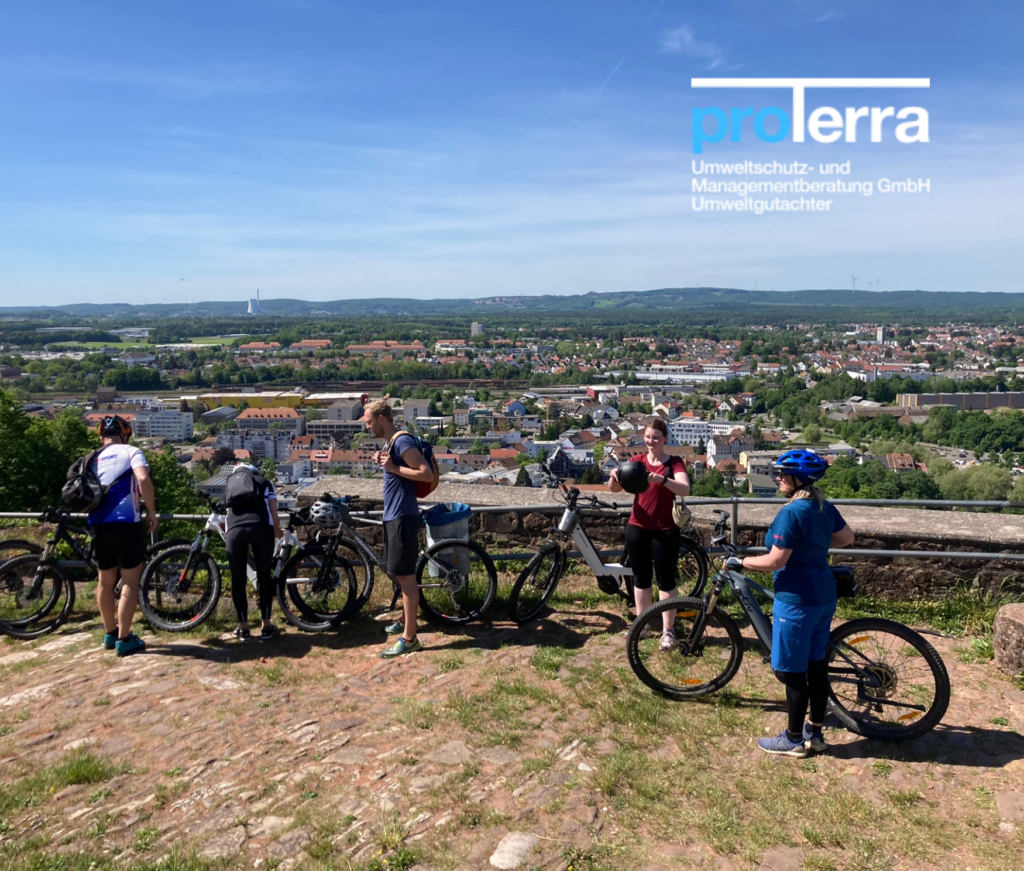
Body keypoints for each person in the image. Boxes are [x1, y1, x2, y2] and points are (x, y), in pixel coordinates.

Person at [726, 449, 855, 757]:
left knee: (794, 672)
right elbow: (847, 538)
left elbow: (775, 560)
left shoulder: (792, 512)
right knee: (816, 666)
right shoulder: (823, 506)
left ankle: (793, 739)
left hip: (796, 599)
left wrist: (740, 561)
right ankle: (815, 732)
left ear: (799, 479)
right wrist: (815, 546)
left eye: (783, 473)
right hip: (823, 595)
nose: (778, 477)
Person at [608, 417, 691, 651]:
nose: (651, 440)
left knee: (666, 581)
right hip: (638, 527)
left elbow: (685, 488)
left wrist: (662, 479)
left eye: (656, 437)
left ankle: (668, 631)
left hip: (665, 530)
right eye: (648, 436)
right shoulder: (637, 460)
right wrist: (614, 477)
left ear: (665, 438)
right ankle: (642, 624)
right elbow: (613, 489)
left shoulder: (673, 462)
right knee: (641, 579)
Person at [360, 400, 435, 658]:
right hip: (395, 515)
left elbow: (424, 473)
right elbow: (398, 473)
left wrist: (391, 467)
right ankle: (405, 622)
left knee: (406, 579)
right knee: (401, 575)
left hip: (403, 516)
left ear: (382, 419)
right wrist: (386, 463)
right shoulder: (391, 443)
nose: (367, 426)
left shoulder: (401, 441)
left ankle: (409, 638)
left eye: (369, 421)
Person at [88, 415, 157, 657]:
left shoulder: (93, 457)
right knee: (129, 579)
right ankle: (124, 639)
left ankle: (109, 633)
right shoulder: (131, 451)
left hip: (97, 524)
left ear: (102, 436)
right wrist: (151, 512)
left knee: (104, 581)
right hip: (126, 523)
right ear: (124, 433)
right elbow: (143, 478)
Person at [224, 461, 282, 641]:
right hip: (260, 528)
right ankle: (266, 626)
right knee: (264, 576)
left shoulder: (229, 482)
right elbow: (273, 511)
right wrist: (278, 532)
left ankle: (244, 628)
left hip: (235, 532)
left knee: (238, 579)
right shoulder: (265, 482)